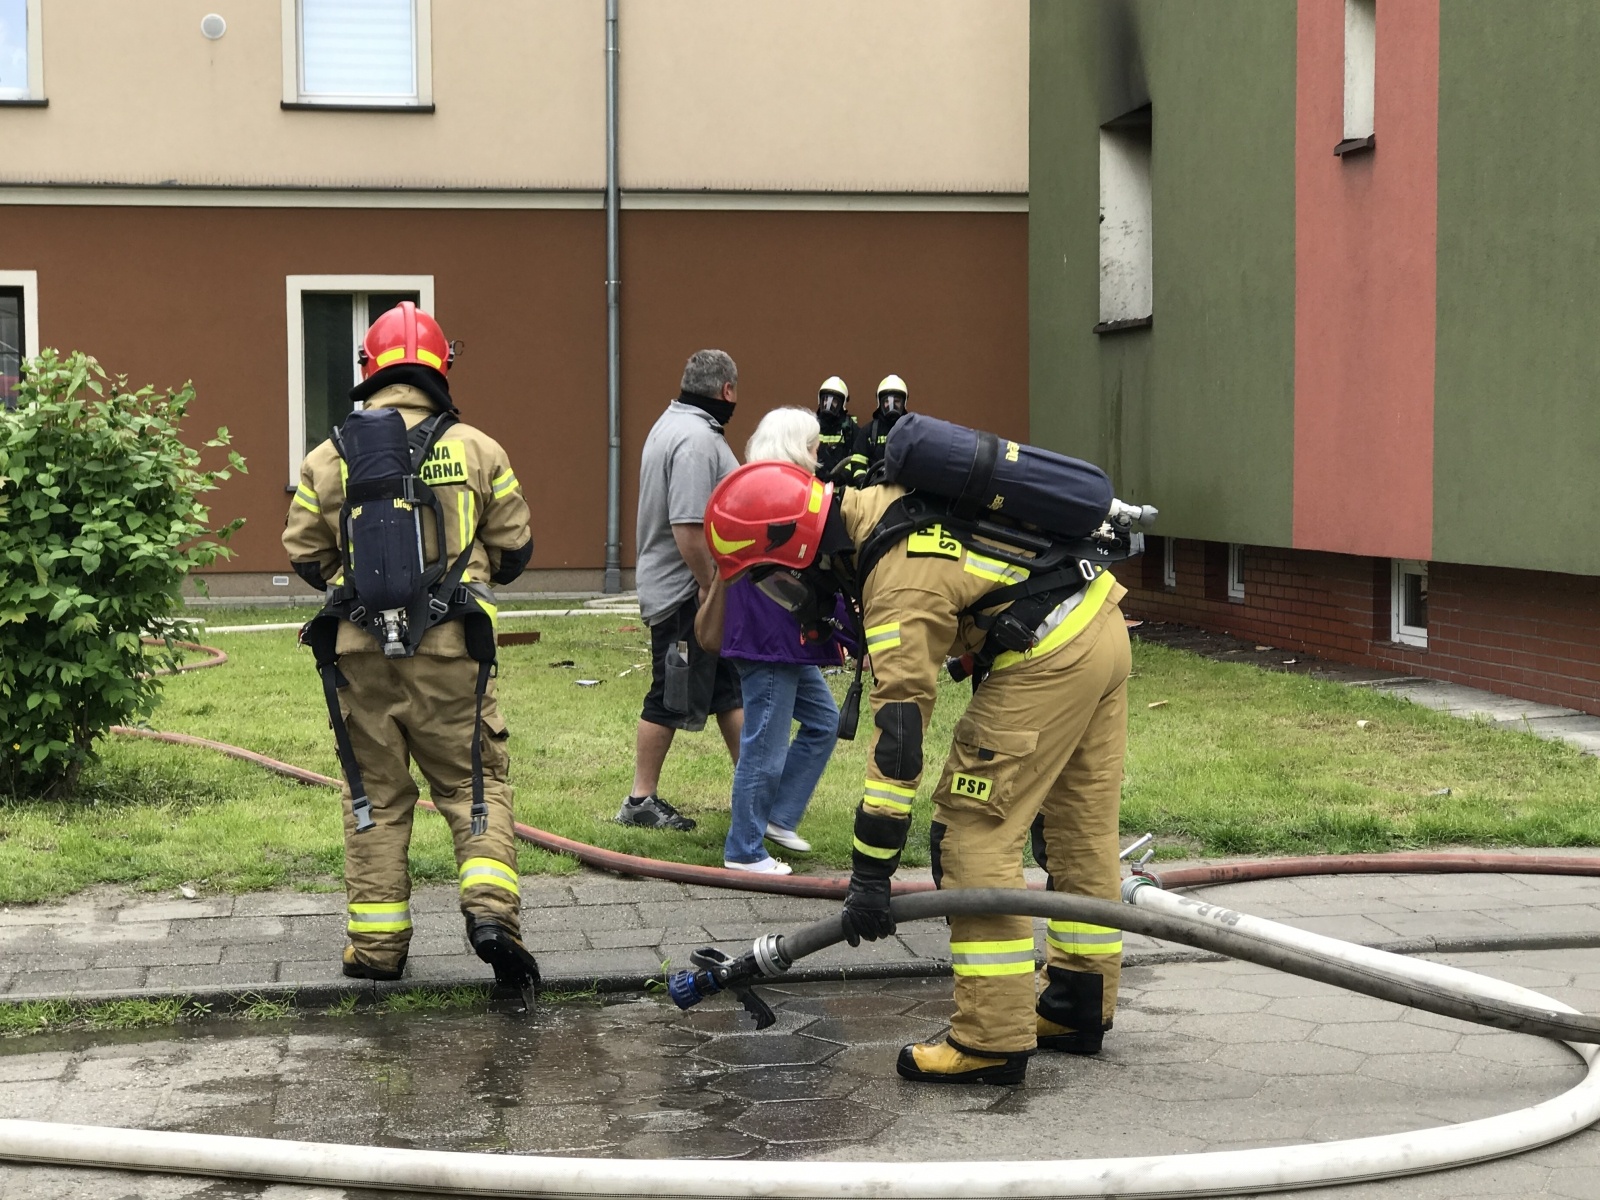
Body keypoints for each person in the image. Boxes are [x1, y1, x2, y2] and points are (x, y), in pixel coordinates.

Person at [701, 456, 1131, 1085]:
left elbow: (899, 742)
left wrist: (870, 873)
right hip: (1099, 625)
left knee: (972, 833)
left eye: (776, 585)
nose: (786, 601)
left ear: (798, 552)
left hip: (1049, 656)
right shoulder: (881, 507)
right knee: (1078, 828)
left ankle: (989, 1038)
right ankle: (1076, 1003)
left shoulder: (896, 582)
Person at [282, 301, 540, 999]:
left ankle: (376, 949)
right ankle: (492, 919)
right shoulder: (480, 449)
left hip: (359, 658)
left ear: (368, 368)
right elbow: (516, 549)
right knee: (472, 786)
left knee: (375, 796)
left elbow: (304, 554)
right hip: (456, 657)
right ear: (440, 367)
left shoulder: (327, 456)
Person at [696, 408, 850, 875]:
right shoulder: (784, 498)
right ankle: (744, 849)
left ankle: (776, 818)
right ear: (797, 447)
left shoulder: (757, 491)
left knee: (823, 721)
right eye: (814, 446)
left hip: (776, 638)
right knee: (764, 744)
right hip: (769, 639)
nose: (819, 455)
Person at [616, 349, 745, 832]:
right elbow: (688, 527)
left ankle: (754, 790)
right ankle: (639, 800)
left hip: (692, 590)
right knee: (669, 694)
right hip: (685, 595)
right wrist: (711, 587)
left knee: (729, 691)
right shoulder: (695, 439)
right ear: (726, 390)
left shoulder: (674, 424)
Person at [844, 374, 910, 484]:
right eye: (887, 401)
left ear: (904, 403)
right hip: (875, 488)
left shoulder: (911, 431)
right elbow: (858, 461)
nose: (891, 406)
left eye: (897, 401)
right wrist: (862, 481)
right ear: (880, 403)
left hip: (903, 488)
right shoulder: (869, 431)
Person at [814, 376, 859, 484]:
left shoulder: (850, 428)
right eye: (826, 399)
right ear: (820, 400)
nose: (828, 404)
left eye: (834, 401)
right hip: (815, 486)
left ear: (842, 403)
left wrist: (843, 475)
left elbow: (857, 458)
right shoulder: (812, 425)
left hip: (841, 488)